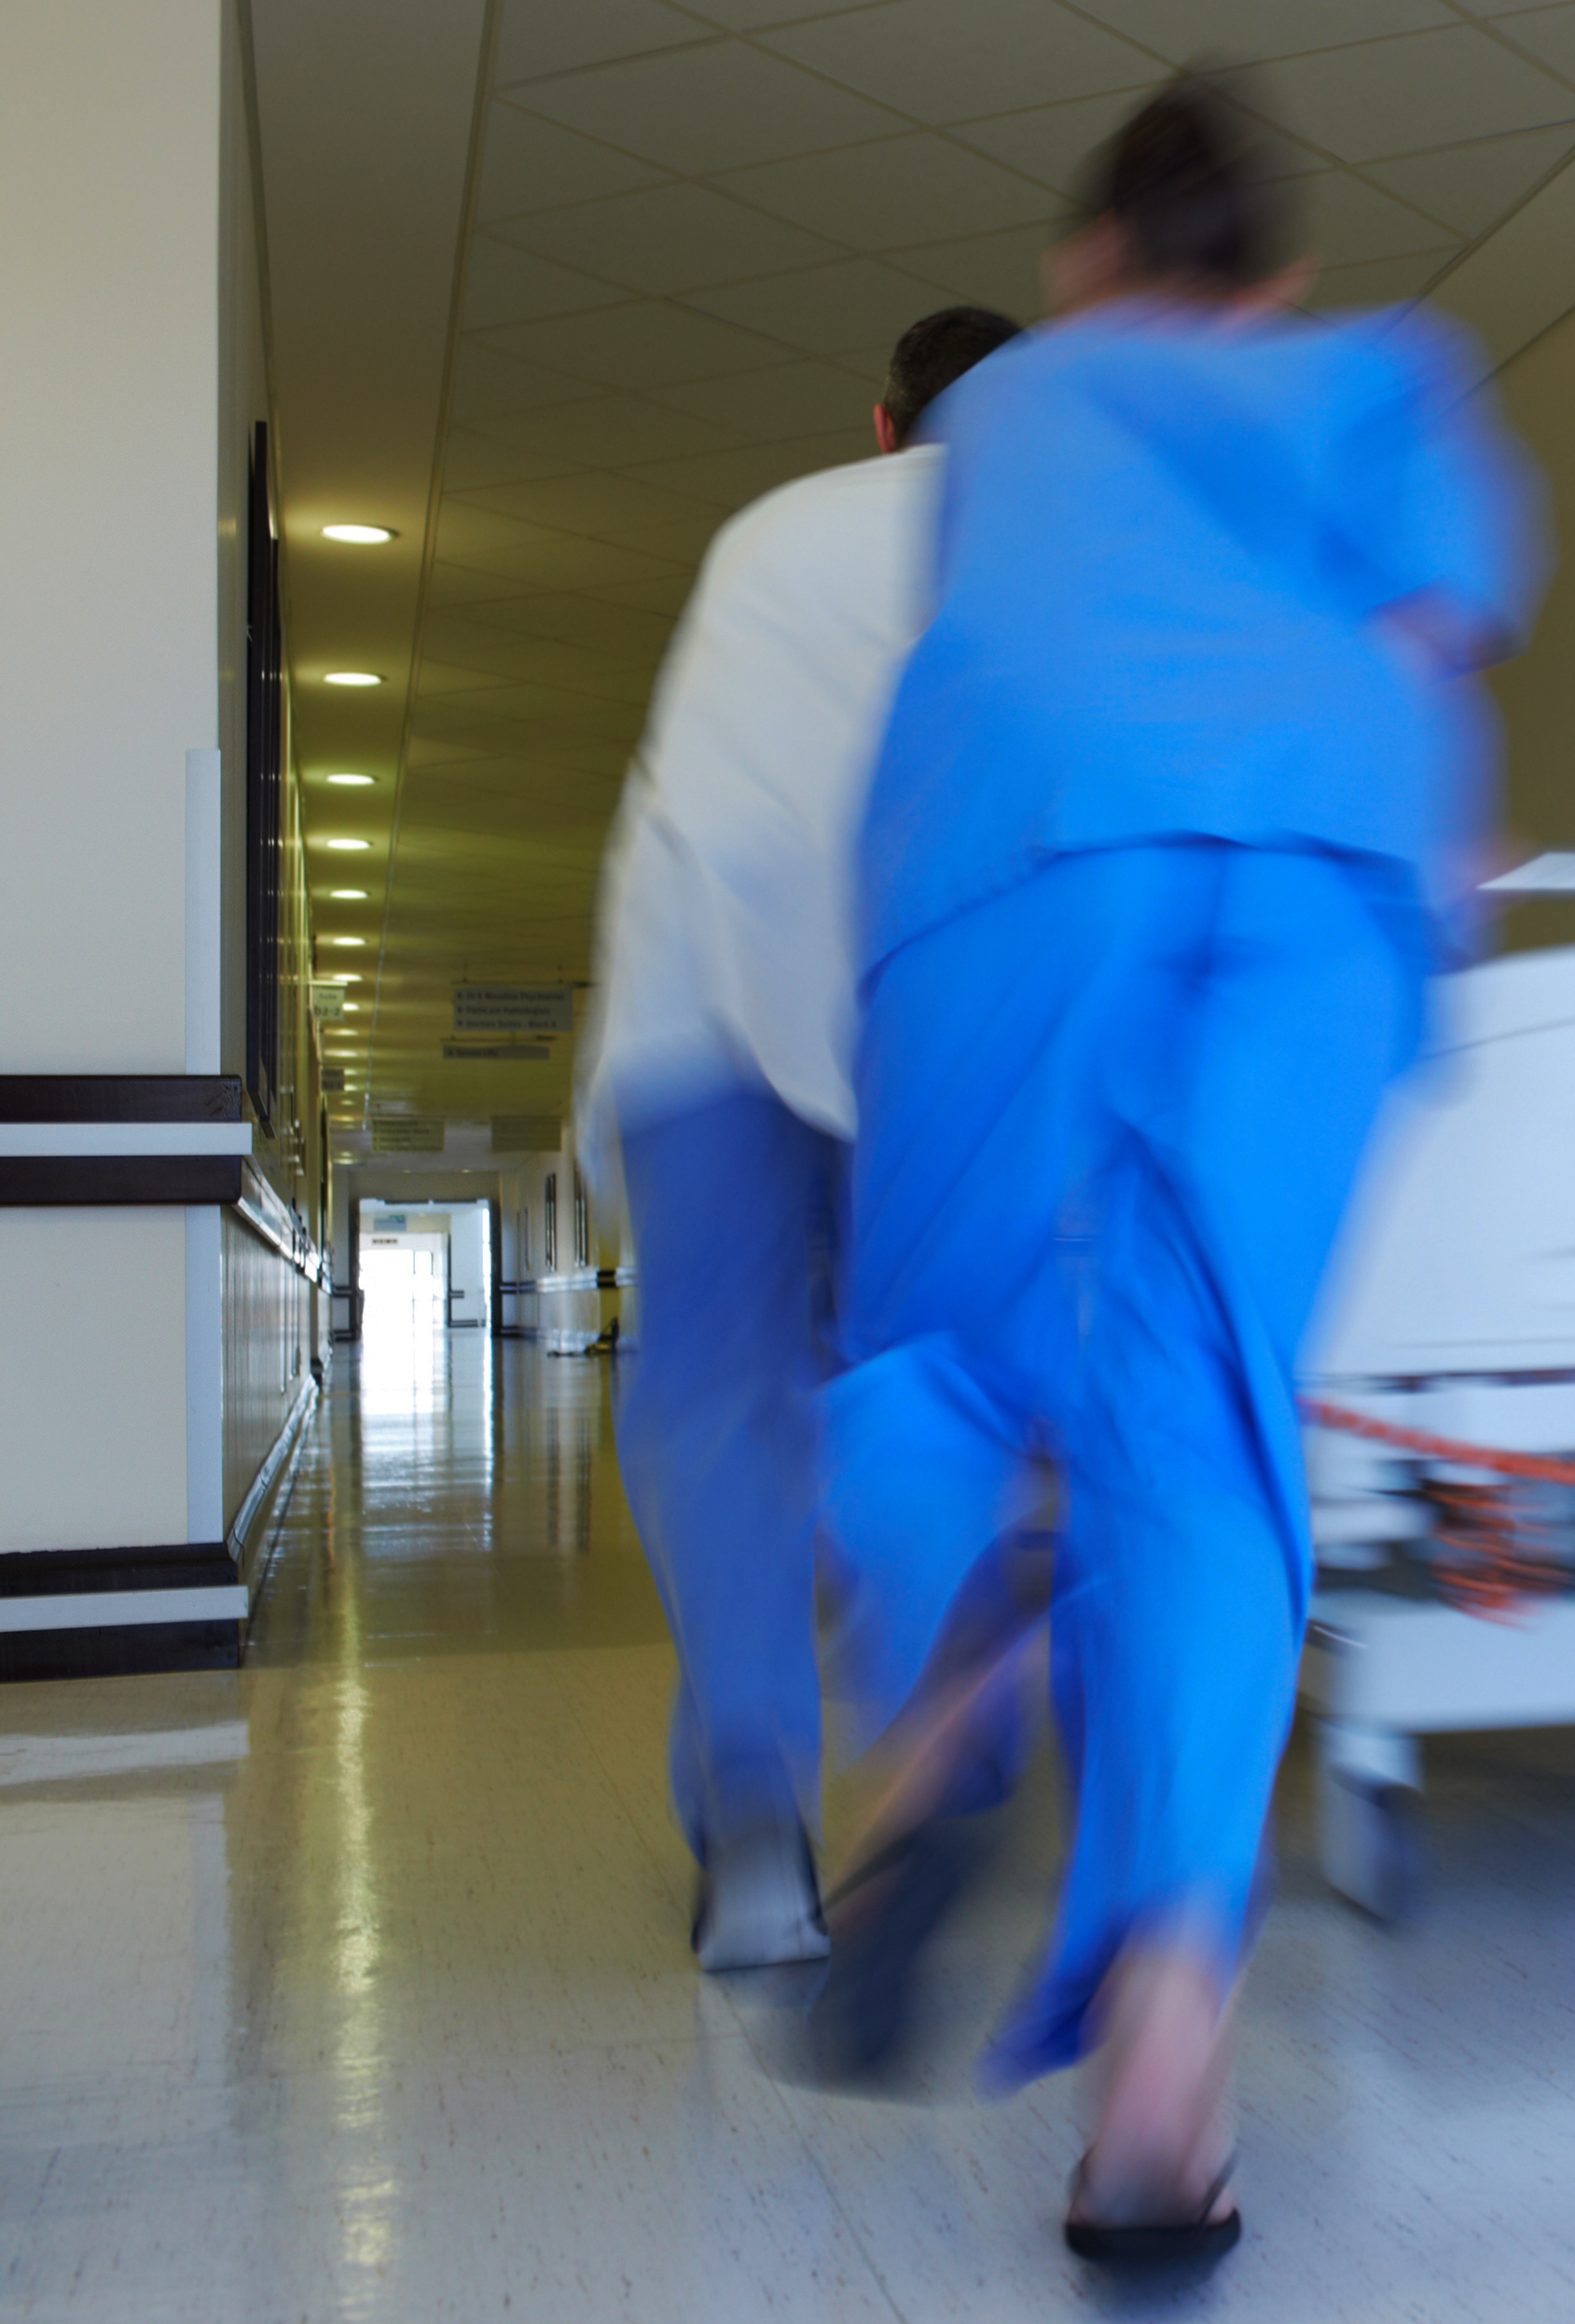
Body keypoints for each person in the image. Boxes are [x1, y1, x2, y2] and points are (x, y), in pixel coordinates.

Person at [808, 78, 1544, 2258]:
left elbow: (1013, 645)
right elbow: (1432, 639)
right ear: (1282, 274)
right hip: (1315, 873)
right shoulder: (1391, 372)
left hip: (1018, 862)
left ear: (1086, 262)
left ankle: (959, 1690)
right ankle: (1163, 2068)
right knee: (1211, 1426)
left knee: (944, 1339)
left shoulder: (1017, 406)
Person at [581, 302, 1021, 1971]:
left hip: (694, 1004)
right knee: (922, 1378)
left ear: (885, 422)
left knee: (715, 1404)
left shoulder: (773, 534)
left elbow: (719, 800)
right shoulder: (1056, 540)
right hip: (916, 1003)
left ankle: (759, 1831)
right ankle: (938, 1747)